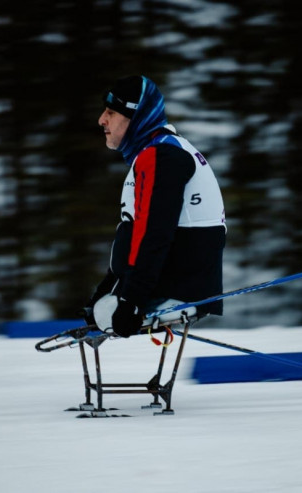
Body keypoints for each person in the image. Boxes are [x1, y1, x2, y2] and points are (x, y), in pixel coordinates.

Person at [83, 75, 226, 338]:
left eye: (111, 112)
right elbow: (137, 232)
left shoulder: (161, 156)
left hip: (176, 291)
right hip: (175, 282)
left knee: (107, 314)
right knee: (101, 310)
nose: (102, 120)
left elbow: (153, 233)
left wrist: (132, 301)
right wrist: (106, 290)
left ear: (135, 117)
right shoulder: (160, 150)